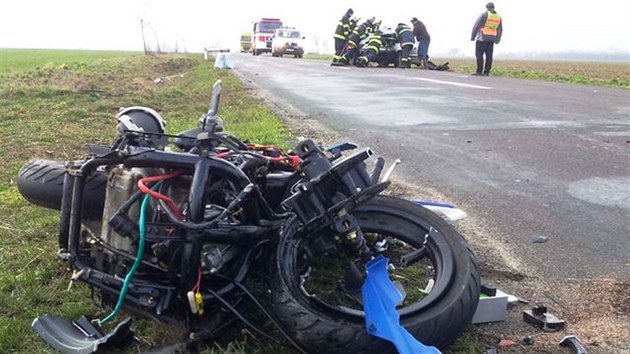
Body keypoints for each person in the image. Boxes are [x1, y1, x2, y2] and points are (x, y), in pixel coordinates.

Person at [471, 2, 503, 76]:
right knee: (489, 55)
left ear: (487, 7)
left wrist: (473, 36)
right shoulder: (498, 17)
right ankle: (486, 72)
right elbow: (500, 29)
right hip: (492, 39)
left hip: (482, 38)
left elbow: (476, 26)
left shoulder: (484, 15)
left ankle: (479, 71)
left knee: (479, 54)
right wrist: (498, 39)